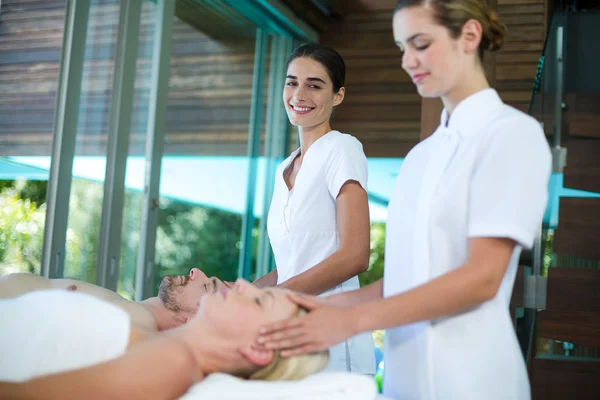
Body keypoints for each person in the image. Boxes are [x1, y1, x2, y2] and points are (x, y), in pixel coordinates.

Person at [257, 1, 552, 399]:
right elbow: (406, 279)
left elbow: (483, 278)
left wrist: (353, 320)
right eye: (402, 48)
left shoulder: (512, 135)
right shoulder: (419, 158)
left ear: (469, 35)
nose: (408, 60)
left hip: (473, 380)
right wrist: (321, 312)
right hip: (403, 381)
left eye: (421, 43)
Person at [252, 43, 375, 374]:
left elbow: (355, 256)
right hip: (291, 340)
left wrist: (273, 299)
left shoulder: (342, 149)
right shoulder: (284, 169)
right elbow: (294, 263)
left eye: (315, 85)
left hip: (334, 340)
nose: (299, 94)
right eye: (292, 82)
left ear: (337, 96)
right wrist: (239, 296)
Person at [0, 279, 329, 398]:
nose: (241, 283)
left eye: (260, 300)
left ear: (257, 348)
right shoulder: (155, 344)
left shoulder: (175, 362)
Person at [0, 268, 227, 332]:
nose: (195, 272)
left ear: (193, 320)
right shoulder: (131, 311)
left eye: (207, 286)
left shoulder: (135, 326)